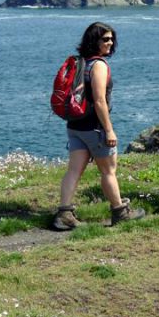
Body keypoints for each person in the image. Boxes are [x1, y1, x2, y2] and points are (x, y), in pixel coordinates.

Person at [52, 22, 145, 230]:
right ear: (94, 41)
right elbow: (100, 101)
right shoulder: (99, 66)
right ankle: (120, 212)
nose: (110, 43)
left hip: (75, 125)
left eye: (112, 39)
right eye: (105, 39)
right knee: (108, 171)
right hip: (94, 127)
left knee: (74, 171)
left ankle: (64, 214)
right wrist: (109, 130)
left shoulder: (80, 62)